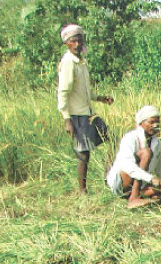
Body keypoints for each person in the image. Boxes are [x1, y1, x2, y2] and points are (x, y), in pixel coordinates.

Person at [57, 25, 113, 193]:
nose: (77, 44)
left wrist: (100, 98)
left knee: (112, 140)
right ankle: (83, 191)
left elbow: (84, 91)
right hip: (77, 115)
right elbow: (63, 92)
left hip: (88, 113)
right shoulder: (68, 62)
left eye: (79, 40)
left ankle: (108, 177)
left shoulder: (81, 61)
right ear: (66, 43)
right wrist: (67, 119)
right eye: (73, 41)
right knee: (83, 153)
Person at [106, 106, 161, 208]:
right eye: (151, 122)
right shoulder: (130, 138)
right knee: (146, 153)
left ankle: (149, 199)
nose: (155, 125)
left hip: (142, 185)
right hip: (122, 183)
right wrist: (151, 179)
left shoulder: (158, 144)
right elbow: (128, 166)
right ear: (141, 123)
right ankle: (134, 198)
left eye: (157, 122)